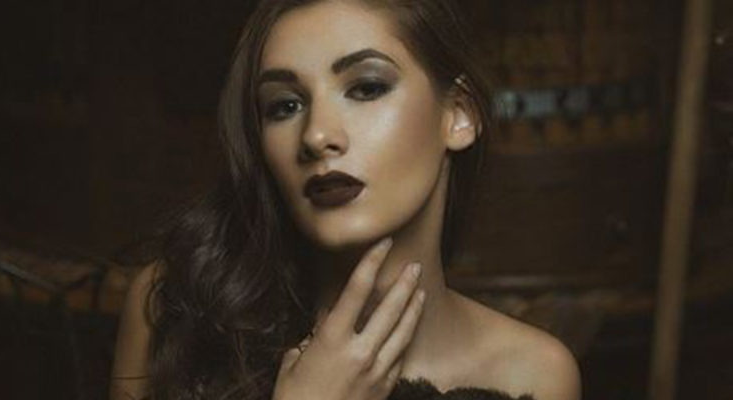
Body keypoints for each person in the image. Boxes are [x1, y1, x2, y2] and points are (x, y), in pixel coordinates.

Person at [110, 0, 582, 399]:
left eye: (366, 88)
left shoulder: (535, 374)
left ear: (458, 115)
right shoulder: (177, 310)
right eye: (285, 106)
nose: (316, 135)